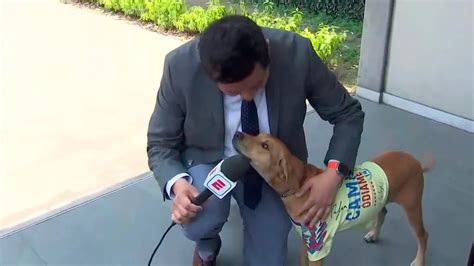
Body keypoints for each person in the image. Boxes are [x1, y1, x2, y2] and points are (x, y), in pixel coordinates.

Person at [146, 15, 364, 266]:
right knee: (199, 221)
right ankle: (206, 244)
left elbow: (348, 114)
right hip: (209, 160)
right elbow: (160, 142)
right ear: (209, 76)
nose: (248, 97)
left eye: (257, 84)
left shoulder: (298, 54)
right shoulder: (180, 66)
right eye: (235, 92)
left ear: (267, 51)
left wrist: (334, 174)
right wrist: (178, 186)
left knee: (268, 260)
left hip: (274, 169)